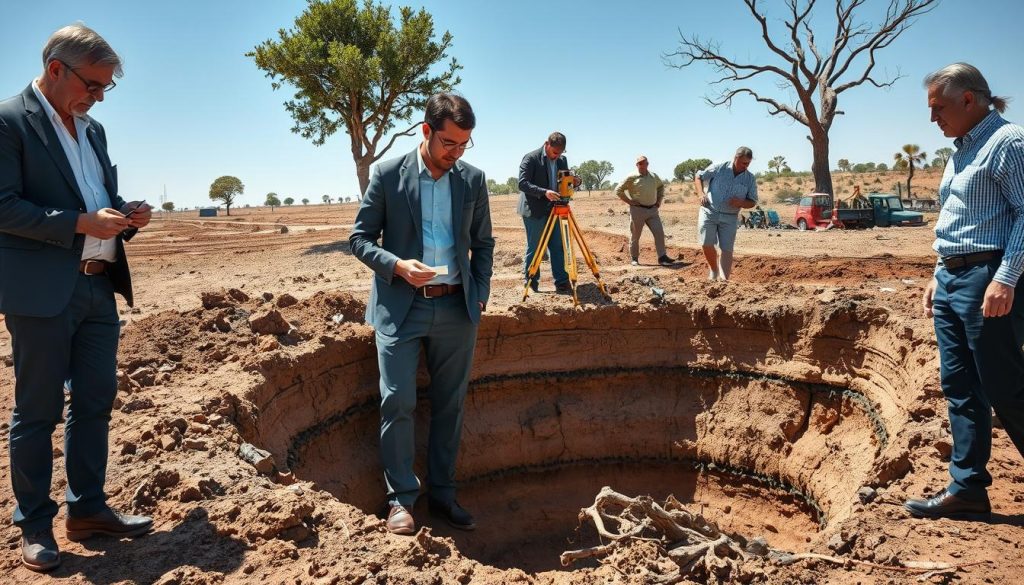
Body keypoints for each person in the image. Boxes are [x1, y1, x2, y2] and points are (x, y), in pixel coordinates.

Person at [0, 24, 153, 572]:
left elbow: (97, 201)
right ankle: (35, 525)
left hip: (97, 285)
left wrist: (124, 216)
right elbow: (4, 207)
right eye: (93, 83)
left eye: (106, 88)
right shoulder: (9, 120)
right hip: (42, 292)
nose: (98, 96)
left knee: (95, 401)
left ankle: (87, 509)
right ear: (56, 68)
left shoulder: (94, 130)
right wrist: (80, 222)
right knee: (37, 410)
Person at [349, 93, 494, 535]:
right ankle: (401, 501)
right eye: (449, 143)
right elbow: (359, 238)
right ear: (426, 131)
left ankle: (445, 495)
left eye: (465, 144)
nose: (457, 153)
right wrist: (396, 265)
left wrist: (480, 293)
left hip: (456, 308)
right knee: (398, 401)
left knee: (450, 404)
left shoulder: (472, 179)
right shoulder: (389, 174)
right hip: (401, 308)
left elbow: (484, 244)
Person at [904, 63, 1024, 521]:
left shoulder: (1008, 142)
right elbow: (958, 221)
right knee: (960, 388)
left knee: (1005, 386)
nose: (933, 119)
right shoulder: (961, 150)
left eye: (938, 108)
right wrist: (939, 271)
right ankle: (968, 488)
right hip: (954, 278)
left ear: (968, 100)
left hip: (988, 279)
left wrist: (1006, 278)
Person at [517, 132, 577, 293]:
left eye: (560, 153)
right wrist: (544, 192)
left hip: (556, 210)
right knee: (535, 247)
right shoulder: (531, 158)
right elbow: (522, 183)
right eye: (555, 152)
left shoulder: (562, 160)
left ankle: (562, 282)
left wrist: (574, 182)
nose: (557, 156)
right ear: (547, 144)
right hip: (534, 209)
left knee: (558, 246)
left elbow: (564, 182)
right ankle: (531, 281)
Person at [694, 147, 758, 280]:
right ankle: (714, 270)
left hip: (730, 217)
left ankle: (724, 280)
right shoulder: (719, 168)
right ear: (736, 158)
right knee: (706, 242)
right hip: (709, 211)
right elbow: (699, 176)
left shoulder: (750, 179)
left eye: (748, 163)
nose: (746, 166)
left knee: (727, 248)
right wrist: (700, 193)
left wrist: (741, 202)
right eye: (743, 163)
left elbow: (752, 202)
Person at [615, 155, 674, 266]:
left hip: (652, 210)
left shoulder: (653, 176)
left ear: (648, 164)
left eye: (645, 163)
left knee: (659, 233)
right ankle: (634, 258)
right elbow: (618, 190)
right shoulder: (631, 177)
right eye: (640, 163)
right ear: (637, 165)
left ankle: (662, 257)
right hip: (638, 211)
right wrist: (629, 201)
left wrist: (659, 200)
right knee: (635, 235)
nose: (643, 165)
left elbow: (660, 187)